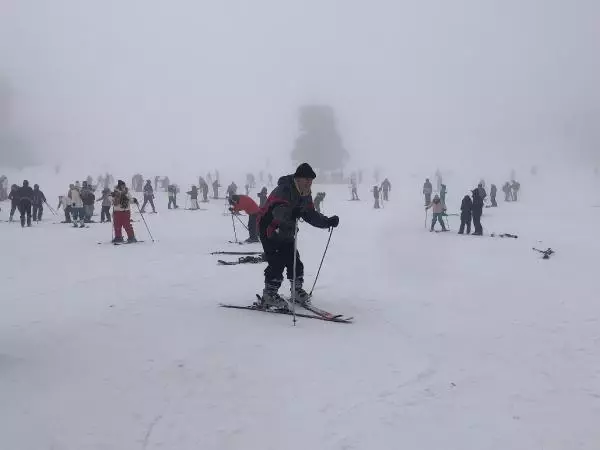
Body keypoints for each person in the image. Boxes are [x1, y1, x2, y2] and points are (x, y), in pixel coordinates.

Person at [256, 163, 339, 309]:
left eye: (311, 180)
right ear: (298, 178)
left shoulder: (305, 193)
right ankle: (269, 294)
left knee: (294, 260)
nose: (309, 183)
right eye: (306, 179)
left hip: (287, 230)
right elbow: (277, 211)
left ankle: (296, 290)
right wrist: (291, 212)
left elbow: (310, 214)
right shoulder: (284, 189)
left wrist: (327, 222)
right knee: (277, 262)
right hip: (269, 228)